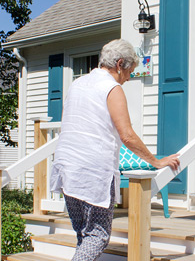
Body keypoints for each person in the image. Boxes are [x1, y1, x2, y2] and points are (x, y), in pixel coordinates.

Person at [50, 39, 180, 261]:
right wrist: (156, 162)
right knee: (98, 236)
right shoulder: (112, 87)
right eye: (129, 71)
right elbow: (127, 135)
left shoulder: (77, 84)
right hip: (92, 170)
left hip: (66, 166)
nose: (129, 77)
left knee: (84, 234)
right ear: (119, 64)